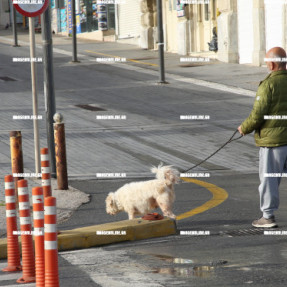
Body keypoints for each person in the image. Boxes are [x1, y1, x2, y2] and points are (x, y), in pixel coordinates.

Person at [238, 47, 287, 228]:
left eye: (267, 62)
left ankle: (267, 216)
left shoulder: (268, 85)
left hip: (273, 142)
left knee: (269, 180)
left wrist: (244, 128)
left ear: (272, 64)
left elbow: (258, 114)